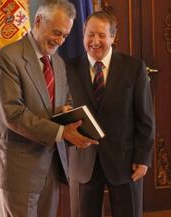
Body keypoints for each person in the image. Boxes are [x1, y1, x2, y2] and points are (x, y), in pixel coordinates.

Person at [0, 0, 97, 217]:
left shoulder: (57, 62)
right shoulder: (6, 58)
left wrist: (68, 112)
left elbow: (63, 102)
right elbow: (13, 114)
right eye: (56, 32)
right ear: (38, 21)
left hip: (51, 166)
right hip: (17, 169)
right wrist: (61, 131)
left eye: (65, 35)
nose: (60, 41)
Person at [66, 11, 155, 217]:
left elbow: (146, 117)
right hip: (83, 162)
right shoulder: (67, 68)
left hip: (126, 163)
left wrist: (143, 157)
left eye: (101, 35)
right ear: (82, 35)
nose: (95, 41)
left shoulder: (133, 68)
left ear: (113, 37)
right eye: (90, 34)